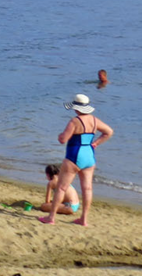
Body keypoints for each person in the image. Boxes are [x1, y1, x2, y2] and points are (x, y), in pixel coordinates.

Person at [39, 94, 113, 227]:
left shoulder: (75, 121)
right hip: (89, 154)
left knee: (61, 187)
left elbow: (63, 140)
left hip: (75, 155)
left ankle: (51, 218)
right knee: (87, 188)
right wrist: (96, 143)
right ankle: (83, 219)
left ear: (76, 108)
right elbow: (109, 132)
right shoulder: (95, 120)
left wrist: (60, 136)